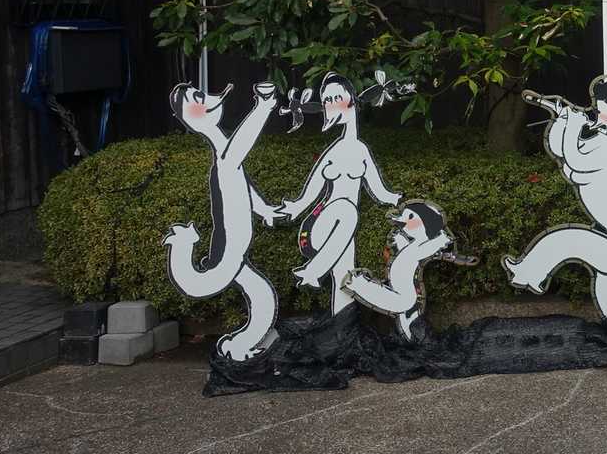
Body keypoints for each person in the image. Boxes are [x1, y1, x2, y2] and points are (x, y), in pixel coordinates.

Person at [504, 66, 607, 317]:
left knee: (564, 240)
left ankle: (528, 274)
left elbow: (575, 160)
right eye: (600, 112)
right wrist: (563, 120)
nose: (602, 119)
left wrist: (573, 123)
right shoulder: (600, 138)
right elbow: (559, 150)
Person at [163, 80, 283, 361]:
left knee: (263, 297)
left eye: (201, 95)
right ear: (189, 118)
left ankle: (242, 347)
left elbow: (242, 183)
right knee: (261, 296)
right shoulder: (225, 157)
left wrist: (264, 209)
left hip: (234, 252)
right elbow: (236, 155)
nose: (205, 100)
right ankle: (240, 348)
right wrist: (263, 106)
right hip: (228, 253)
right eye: (195, 101)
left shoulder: (226, 155)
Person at [277, 73, 402, 314]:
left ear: (352, 100)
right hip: (317, 228)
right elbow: (309, 193)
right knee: (346, 208)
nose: (331, 104)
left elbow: (379, 191)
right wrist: (292, 208)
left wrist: (396, 199)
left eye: (336, 98)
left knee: (344, 276)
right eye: (327, 100)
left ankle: (342, 323)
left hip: (343, 232)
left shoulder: (361, 150)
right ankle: (313, 271)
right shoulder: (332, 153)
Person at [343, 201, 474, 339]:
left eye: (410, 217)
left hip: (408, 293)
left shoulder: (428, 245)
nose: (405, 222)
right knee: (406, 314)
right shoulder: (411, 243)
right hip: (400, 288)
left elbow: (436, 252)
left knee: (404, 307)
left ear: (427, 222)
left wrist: (447, 248)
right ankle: (358, 284)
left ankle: (358, 284)